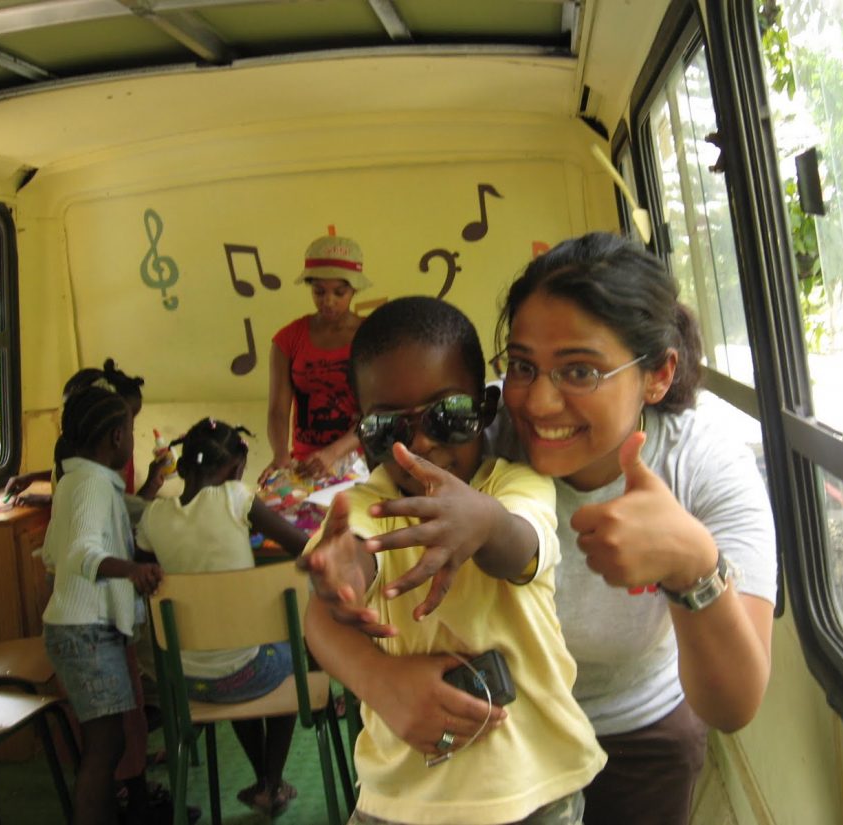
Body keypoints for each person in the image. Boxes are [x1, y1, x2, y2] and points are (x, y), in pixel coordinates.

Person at [307, 233, 778, 825]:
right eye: (524, 365)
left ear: (657, 374)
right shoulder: (466, 430)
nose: (540, 402)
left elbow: (734, 704)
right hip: (485, 740)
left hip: (637, 731)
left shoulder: (704, 467)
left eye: (580, 370)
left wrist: (693, 569)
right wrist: (381, 680)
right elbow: (327, 601)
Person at [300, 296, 606, 825]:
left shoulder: (514, 485)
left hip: (534, 791)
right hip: (401, 802)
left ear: (484, 411)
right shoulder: (372, 503)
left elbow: (521, 545)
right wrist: (345, 572)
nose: (419, 444)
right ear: (363, 433)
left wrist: (482, 523)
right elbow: (354, 554)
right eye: (388, 429)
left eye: (448, 416)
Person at [134, 417, 308, 817]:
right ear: (235, 470)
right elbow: (300, 546)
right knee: (290, 654)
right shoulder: (236, 497)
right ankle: (273, 781)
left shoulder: (154, 518)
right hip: (246, 673)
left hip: (186, 682)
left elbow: (141, 566)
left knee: (231, 653)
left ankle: (265, 781)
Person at [40, 384, 164, 825]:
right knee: (104, 747)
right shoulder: (91, 485)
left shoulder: (80, 480)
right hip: (85, 632)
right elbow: (77, 554)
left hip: (80, 629)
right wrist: (131, 571)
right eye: (130, 430)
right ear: (117, 437)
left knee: (107, 745)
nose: (131, 440)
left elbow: (55, 550)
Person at [258, 235, 371, 485]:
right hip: (306, 463)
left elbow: (378, 412)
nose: (328, 301)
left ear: (354, 289)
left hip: (362, 462)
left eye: (339, 292)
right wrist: (280, 455)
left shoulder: (371, 338)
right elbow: (278, 410)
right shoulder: (288, 339)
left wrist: (333, 453)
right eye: (319, 292)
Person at [5, 358, 166, 508]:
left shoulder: (114, 460)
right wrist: (33, 479)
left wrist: (152, 485)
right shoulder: (86, 451)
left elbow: (120, 515)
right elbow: (78, 481)